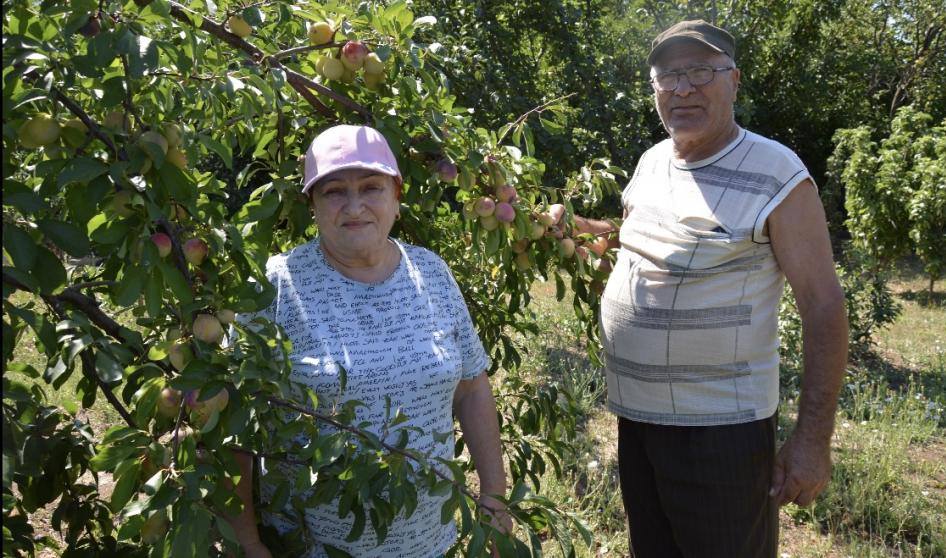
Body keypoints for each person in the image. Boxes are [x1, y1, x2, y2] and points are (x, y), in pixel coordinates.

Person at [551, 19, 849, 557]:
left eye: (700, 72)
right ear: (654, 91)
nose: (683, 88)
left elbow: (824, 305)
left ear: (733, 80)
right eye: (668, 76)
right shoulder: (650, 163)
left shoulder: (777, 173)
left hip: (719, 433)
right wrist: (567, 227)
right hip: (637, 419)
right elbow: (633, 244)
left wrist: (811, 442)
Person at [230, 125, 509, 557]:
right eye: (334, 191)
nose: (354, 205)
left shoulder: (431, 273)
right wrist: (247, 542)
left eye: (371, 187)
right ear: (313, 206)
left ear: (397, 198)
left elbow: (472, 386)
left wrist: (493, 494)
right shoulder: (276, 286)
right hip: (310, 546)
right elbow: (232, 422)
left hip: (429, 541)